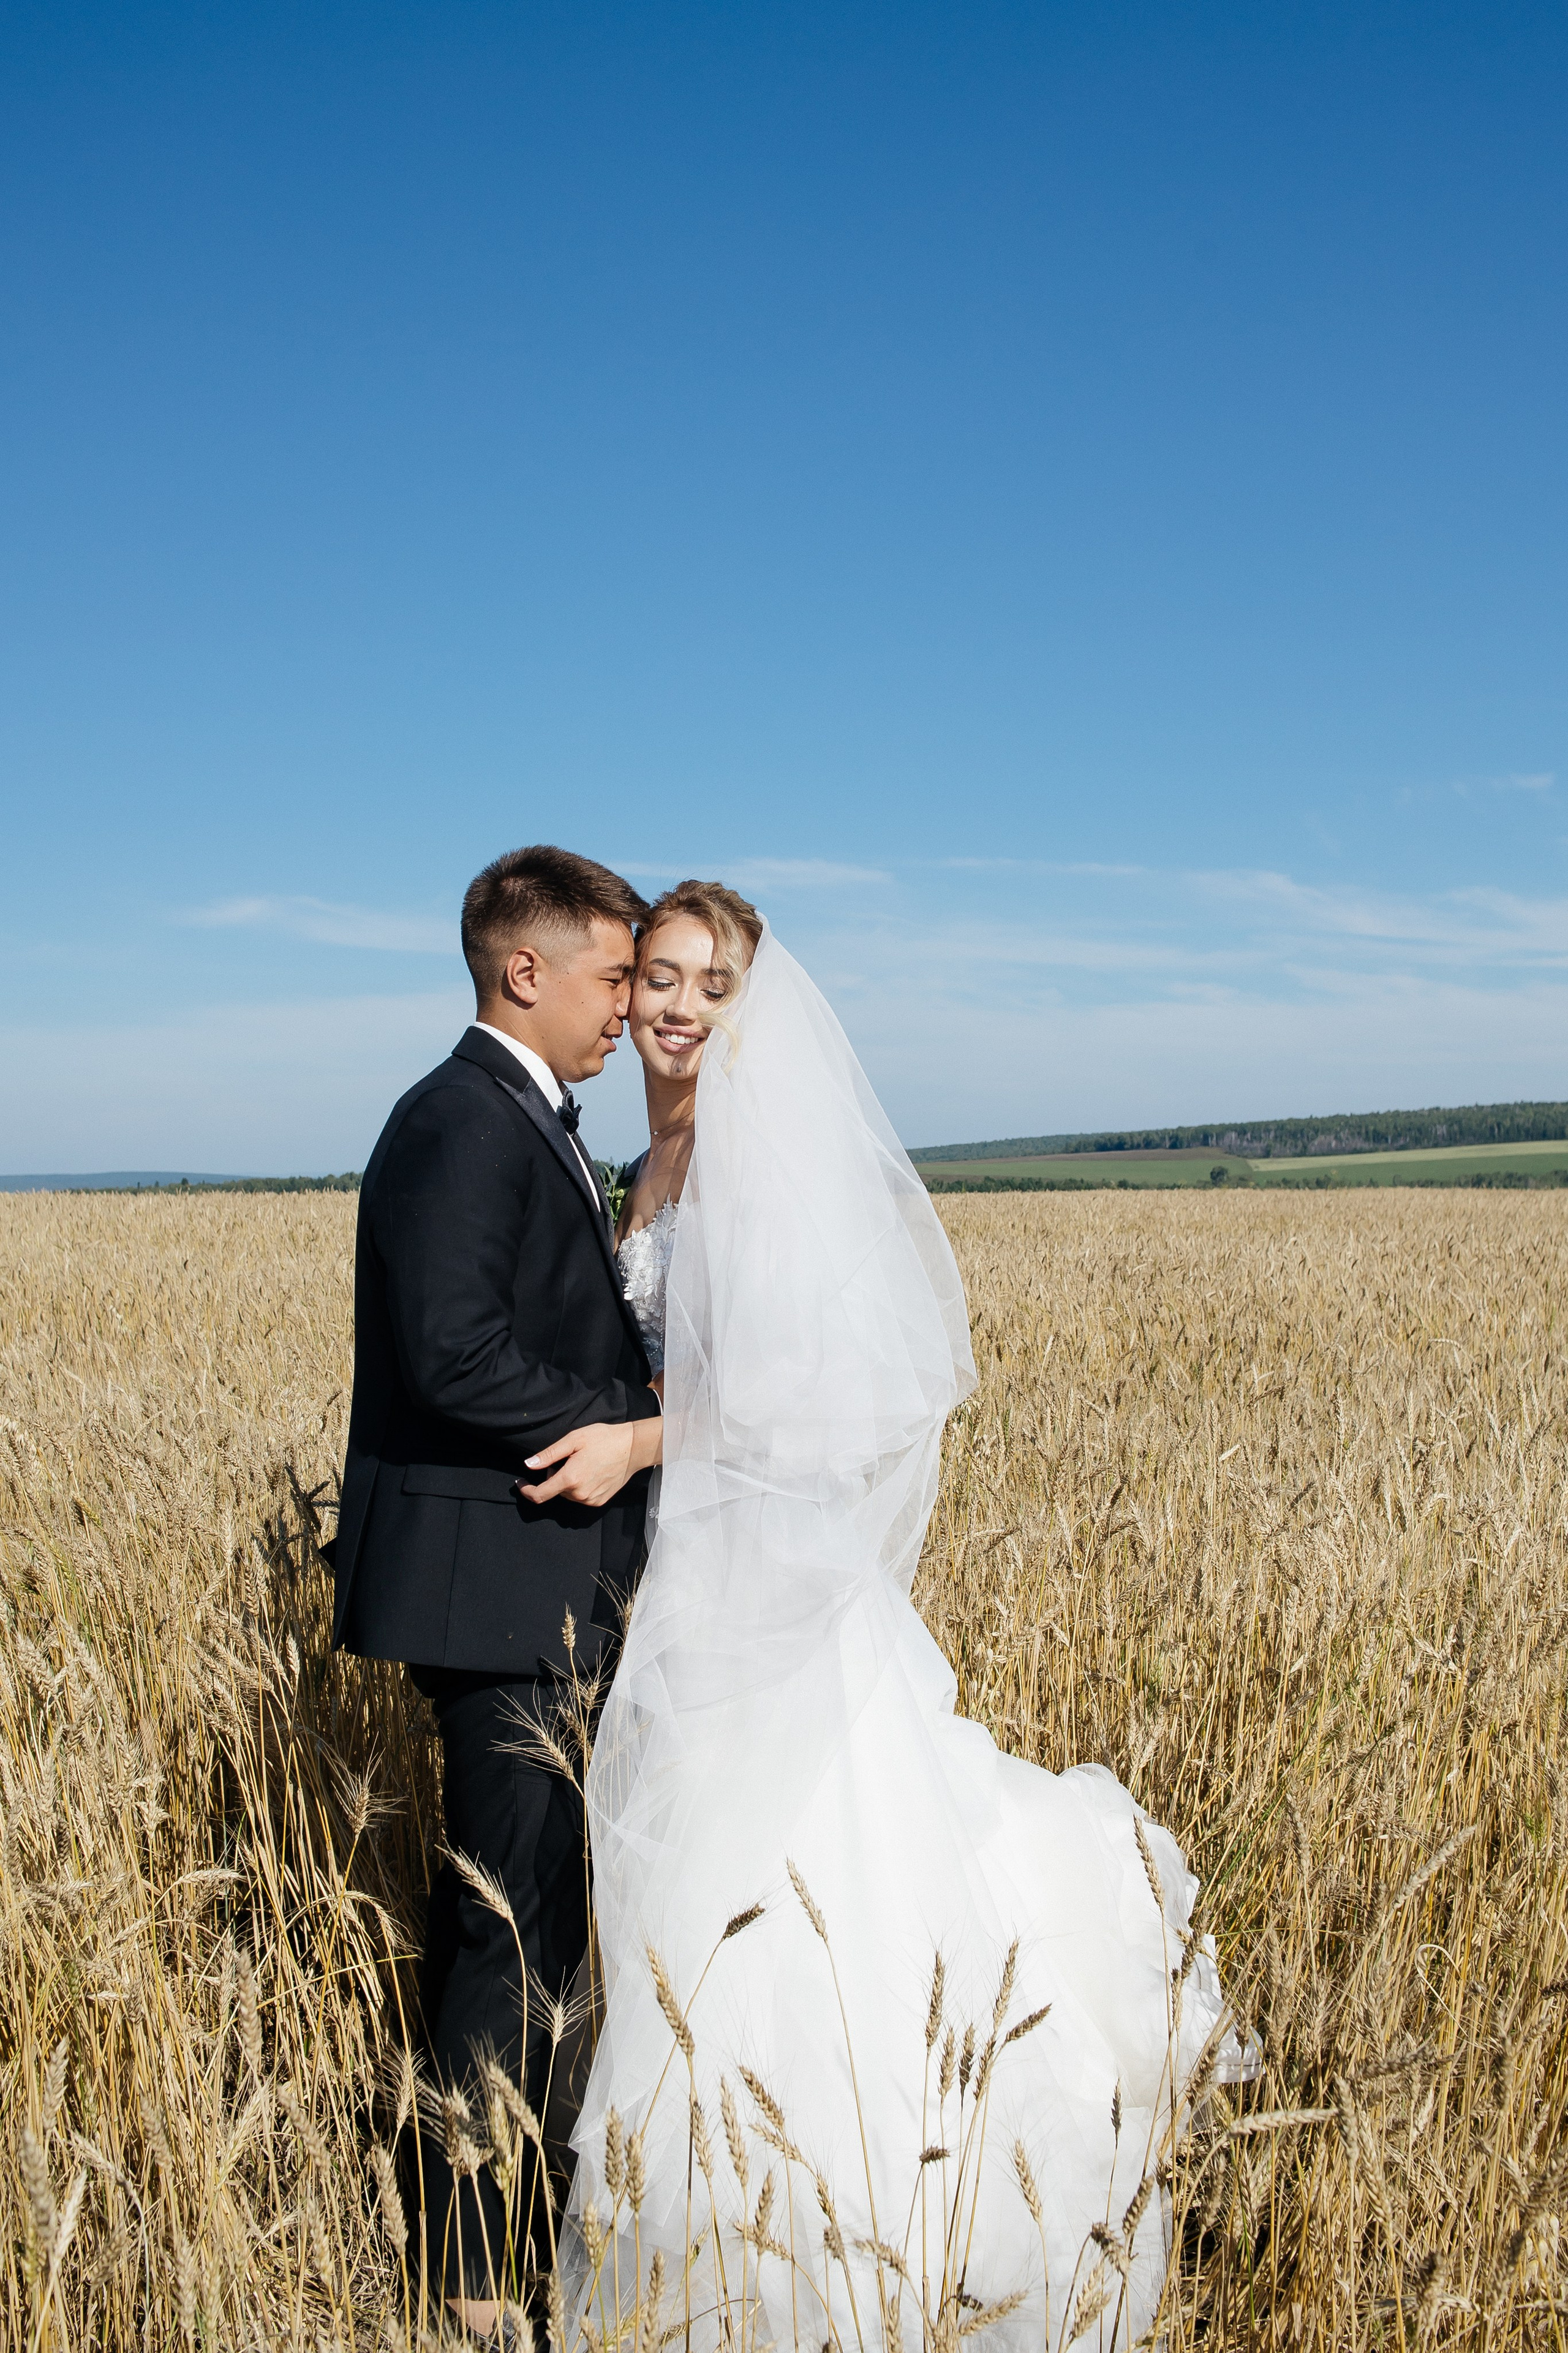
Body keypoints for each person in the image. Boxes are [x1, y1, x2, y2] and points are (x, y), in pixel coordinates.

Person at [565, 882, 1253, 2353]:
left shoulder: (758, 1164)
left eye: (712, 984)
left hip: (773, 1582)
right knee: (692, 1901)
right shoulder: (644, 1161)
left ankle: (858, 2257)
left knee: (794, 1884)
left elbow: (808, 1403)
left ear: (753, 1010)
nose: (678, 1005)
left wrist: (638, 1441)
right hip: (687, 1574)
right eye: (659, 976)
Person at [333, 844, 664, 2336]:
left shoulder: (515, 1114)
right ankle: (471, 2281)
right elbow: (453, 1351)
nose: (627, 1006)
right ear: (523, 970)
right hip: (498, 1590)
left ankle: (503, 2227)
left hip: (535, 1582)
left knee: (528, 1915)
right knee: (507, 1926)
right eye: (612, 974)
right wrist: (629, 1426)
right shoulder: (458, 1119)